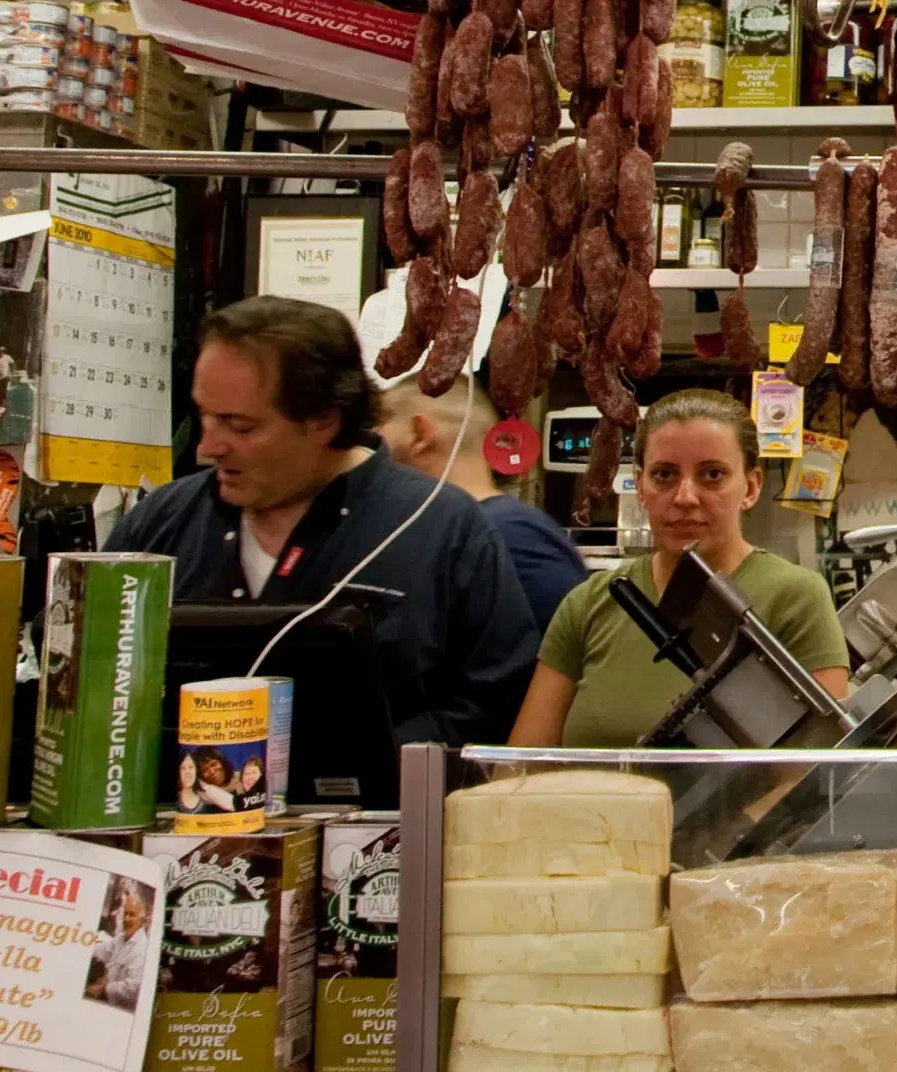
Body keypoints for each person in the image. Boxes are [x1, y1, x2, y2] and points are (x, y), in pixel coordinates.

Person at [106, 296, 540, 747]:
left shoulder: (440, 528)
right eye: (205, 417)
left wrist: (370, 761)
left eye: (240, 427)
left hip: (385, 811)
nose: (207, 447)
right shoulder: (160, 525)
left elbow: (498, 708)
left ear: (324, 421)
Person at [513, 389, 851, 747]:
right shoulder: (587, 605)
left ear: (750, 488)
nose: (685, 497)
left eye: (712, 475)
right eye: (664, 475)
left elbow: (820, 777)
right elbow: (520, 767)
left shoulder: (796, 598)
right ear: (640, 487)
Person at [380, 374, 586, 631]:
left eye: (380, 428)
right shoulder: (477, 529)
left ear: (419, 434)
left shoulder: (511, 537)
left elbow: (573, 655)